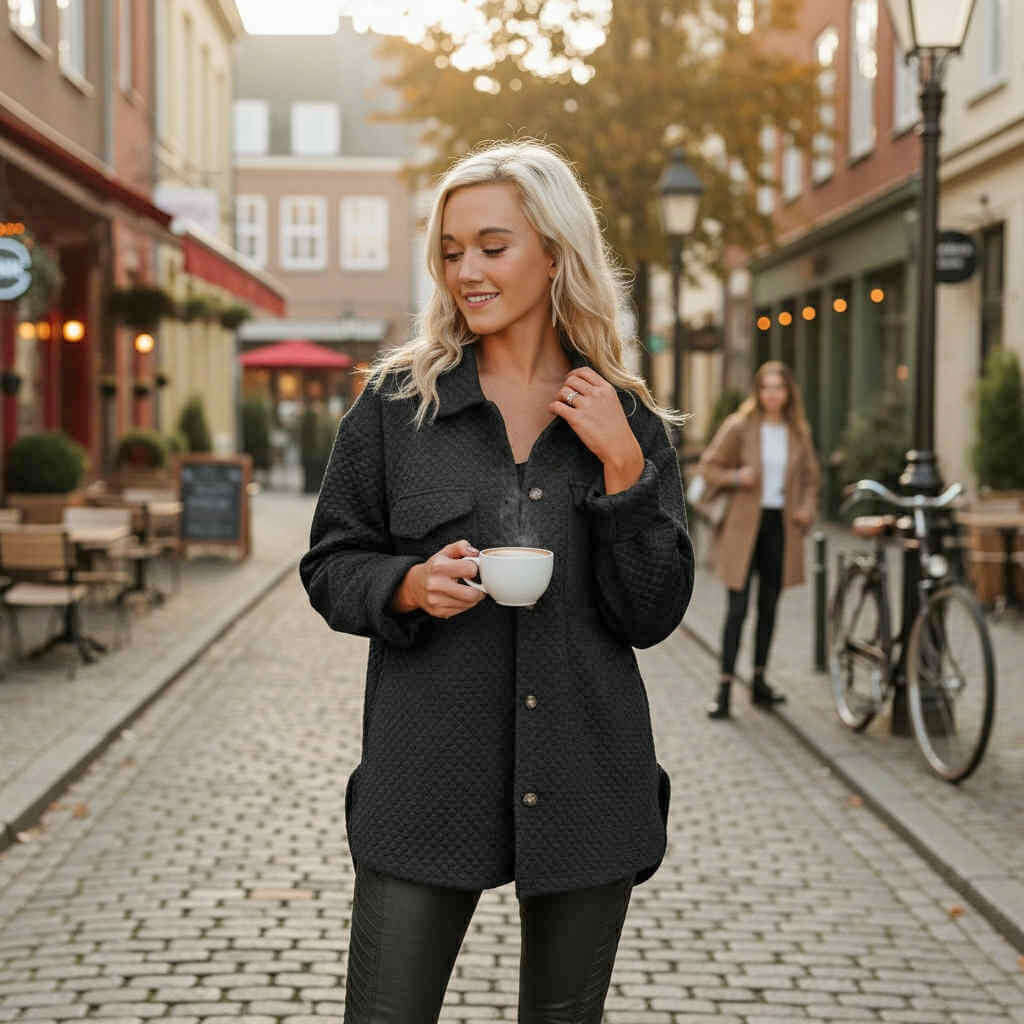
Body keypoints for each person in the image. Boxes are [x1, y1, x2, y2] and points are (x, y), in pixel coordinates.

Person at [298, 139, 695, 1023]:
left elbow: (653, 611)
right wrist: (406, 586)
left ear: (555, 251)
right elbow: (331, 562)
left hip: (589, 783)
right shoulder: (399, 403)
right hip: (424, 779)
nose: (465, 271)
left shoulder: (623, 417)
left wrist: (626, 470)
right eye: (449, 251)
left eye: (492, 245)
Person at [697, 361, 821, 720]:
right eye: (766, 387)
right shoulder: (740, 426)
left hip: (779, 527)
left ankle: (760, 682)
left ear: (788, 392)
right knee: (737, 610)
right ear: (758, 391)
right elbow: (708, 467)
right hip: (742, 529)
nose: (772, 394)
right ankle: (723, 688)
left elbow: (812, 479)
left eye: (778, 387)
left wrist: (806, 507)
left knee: (769, 607)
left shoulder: (798, 431)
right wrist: (737, 475)